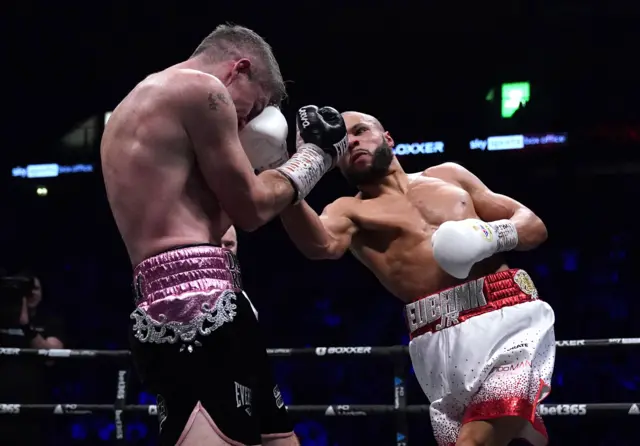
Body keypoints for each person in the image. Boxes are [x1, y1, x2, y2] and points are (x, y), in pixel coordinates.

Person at [101, 23, 348, 446]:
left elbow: (222, 211)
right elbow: (251, 211)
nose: (251, 120)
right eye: (258, 105)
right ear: (240, 69)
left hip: (205, 297)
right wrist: (313, 157)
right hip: (193, 306)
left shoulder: (141, 104)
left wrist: (275, 165)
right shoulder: (201, 91)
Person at [280, 111, 555, 446]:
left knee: (475, 441)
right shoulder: (347, 211)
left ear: (388, 138)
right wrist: (287, 174)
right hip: (436, 339)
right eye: (341, 142)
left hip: (509, 319)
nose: (351, 142)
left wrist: (489, 236)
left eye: (361, 131)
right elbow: (319, 245)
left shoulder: (449, 176)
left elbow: (533, 225)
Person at [0, 271, 65, 446]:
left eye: (35, 288)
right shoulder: (3, 319)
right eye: (27, 290)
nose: (32, 293)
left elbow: (51, 356)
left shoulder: (50, 321)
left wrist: (26, 326)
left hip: (34, 406)